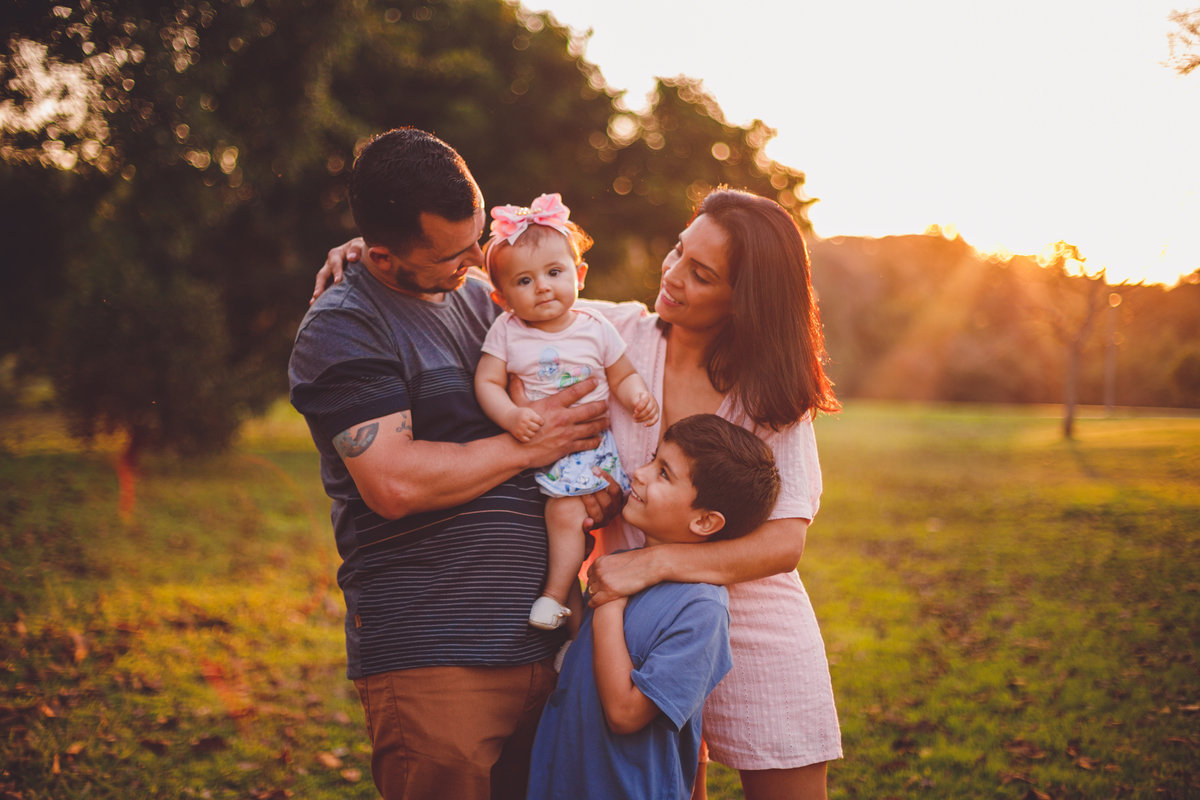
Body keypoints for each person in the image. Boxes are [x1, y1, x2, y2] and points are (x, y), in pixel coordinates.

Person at [316, 189, 843, 800]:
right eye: (677, 252)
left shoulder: (771, 391)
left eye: (700, 274)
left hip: (749, 613)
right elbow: (515, 275)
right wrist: (385, 255)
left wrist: (647, 564)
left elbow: (785, 541)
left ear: (745, 299)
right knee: (663, 783)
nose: (671, 276)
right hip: (637, 621)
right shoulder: (606, 329)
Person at [288, 127, 617, 800]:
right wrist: (536, 444)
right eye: (453, 250)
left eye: (477, 235)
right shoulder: (343, 324)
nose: (478, 257)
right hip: (437, 659)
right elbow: (395, 480)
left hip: (548, 648)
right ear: (380, 255)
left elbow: (587, 332)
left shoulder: (482, 300)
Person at [526, 413, 781, 800]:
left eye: (664, 473)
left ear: (706, 521)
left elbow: (625, 713)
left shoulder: (701, 610)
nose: (640, 474)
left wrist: (608, 600)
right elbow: (584, 653)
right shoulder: (623, 569)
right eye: (651, 459)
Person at [476, 192, 658, 633]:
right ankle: (572, 634)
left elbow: (622, 374)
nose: (542, 287)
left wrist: (637, 396)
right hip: (529, 445)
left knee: (563, 517)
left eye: (554, 273)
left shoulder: (596, 328)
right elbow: (486, 382)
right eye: (524, 281)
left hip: (584, 453)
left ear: (579, 275)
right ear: (502, 298)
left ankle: (555, 598)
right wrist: (511, 416)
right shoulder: (507, 331)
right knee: (555, 528)